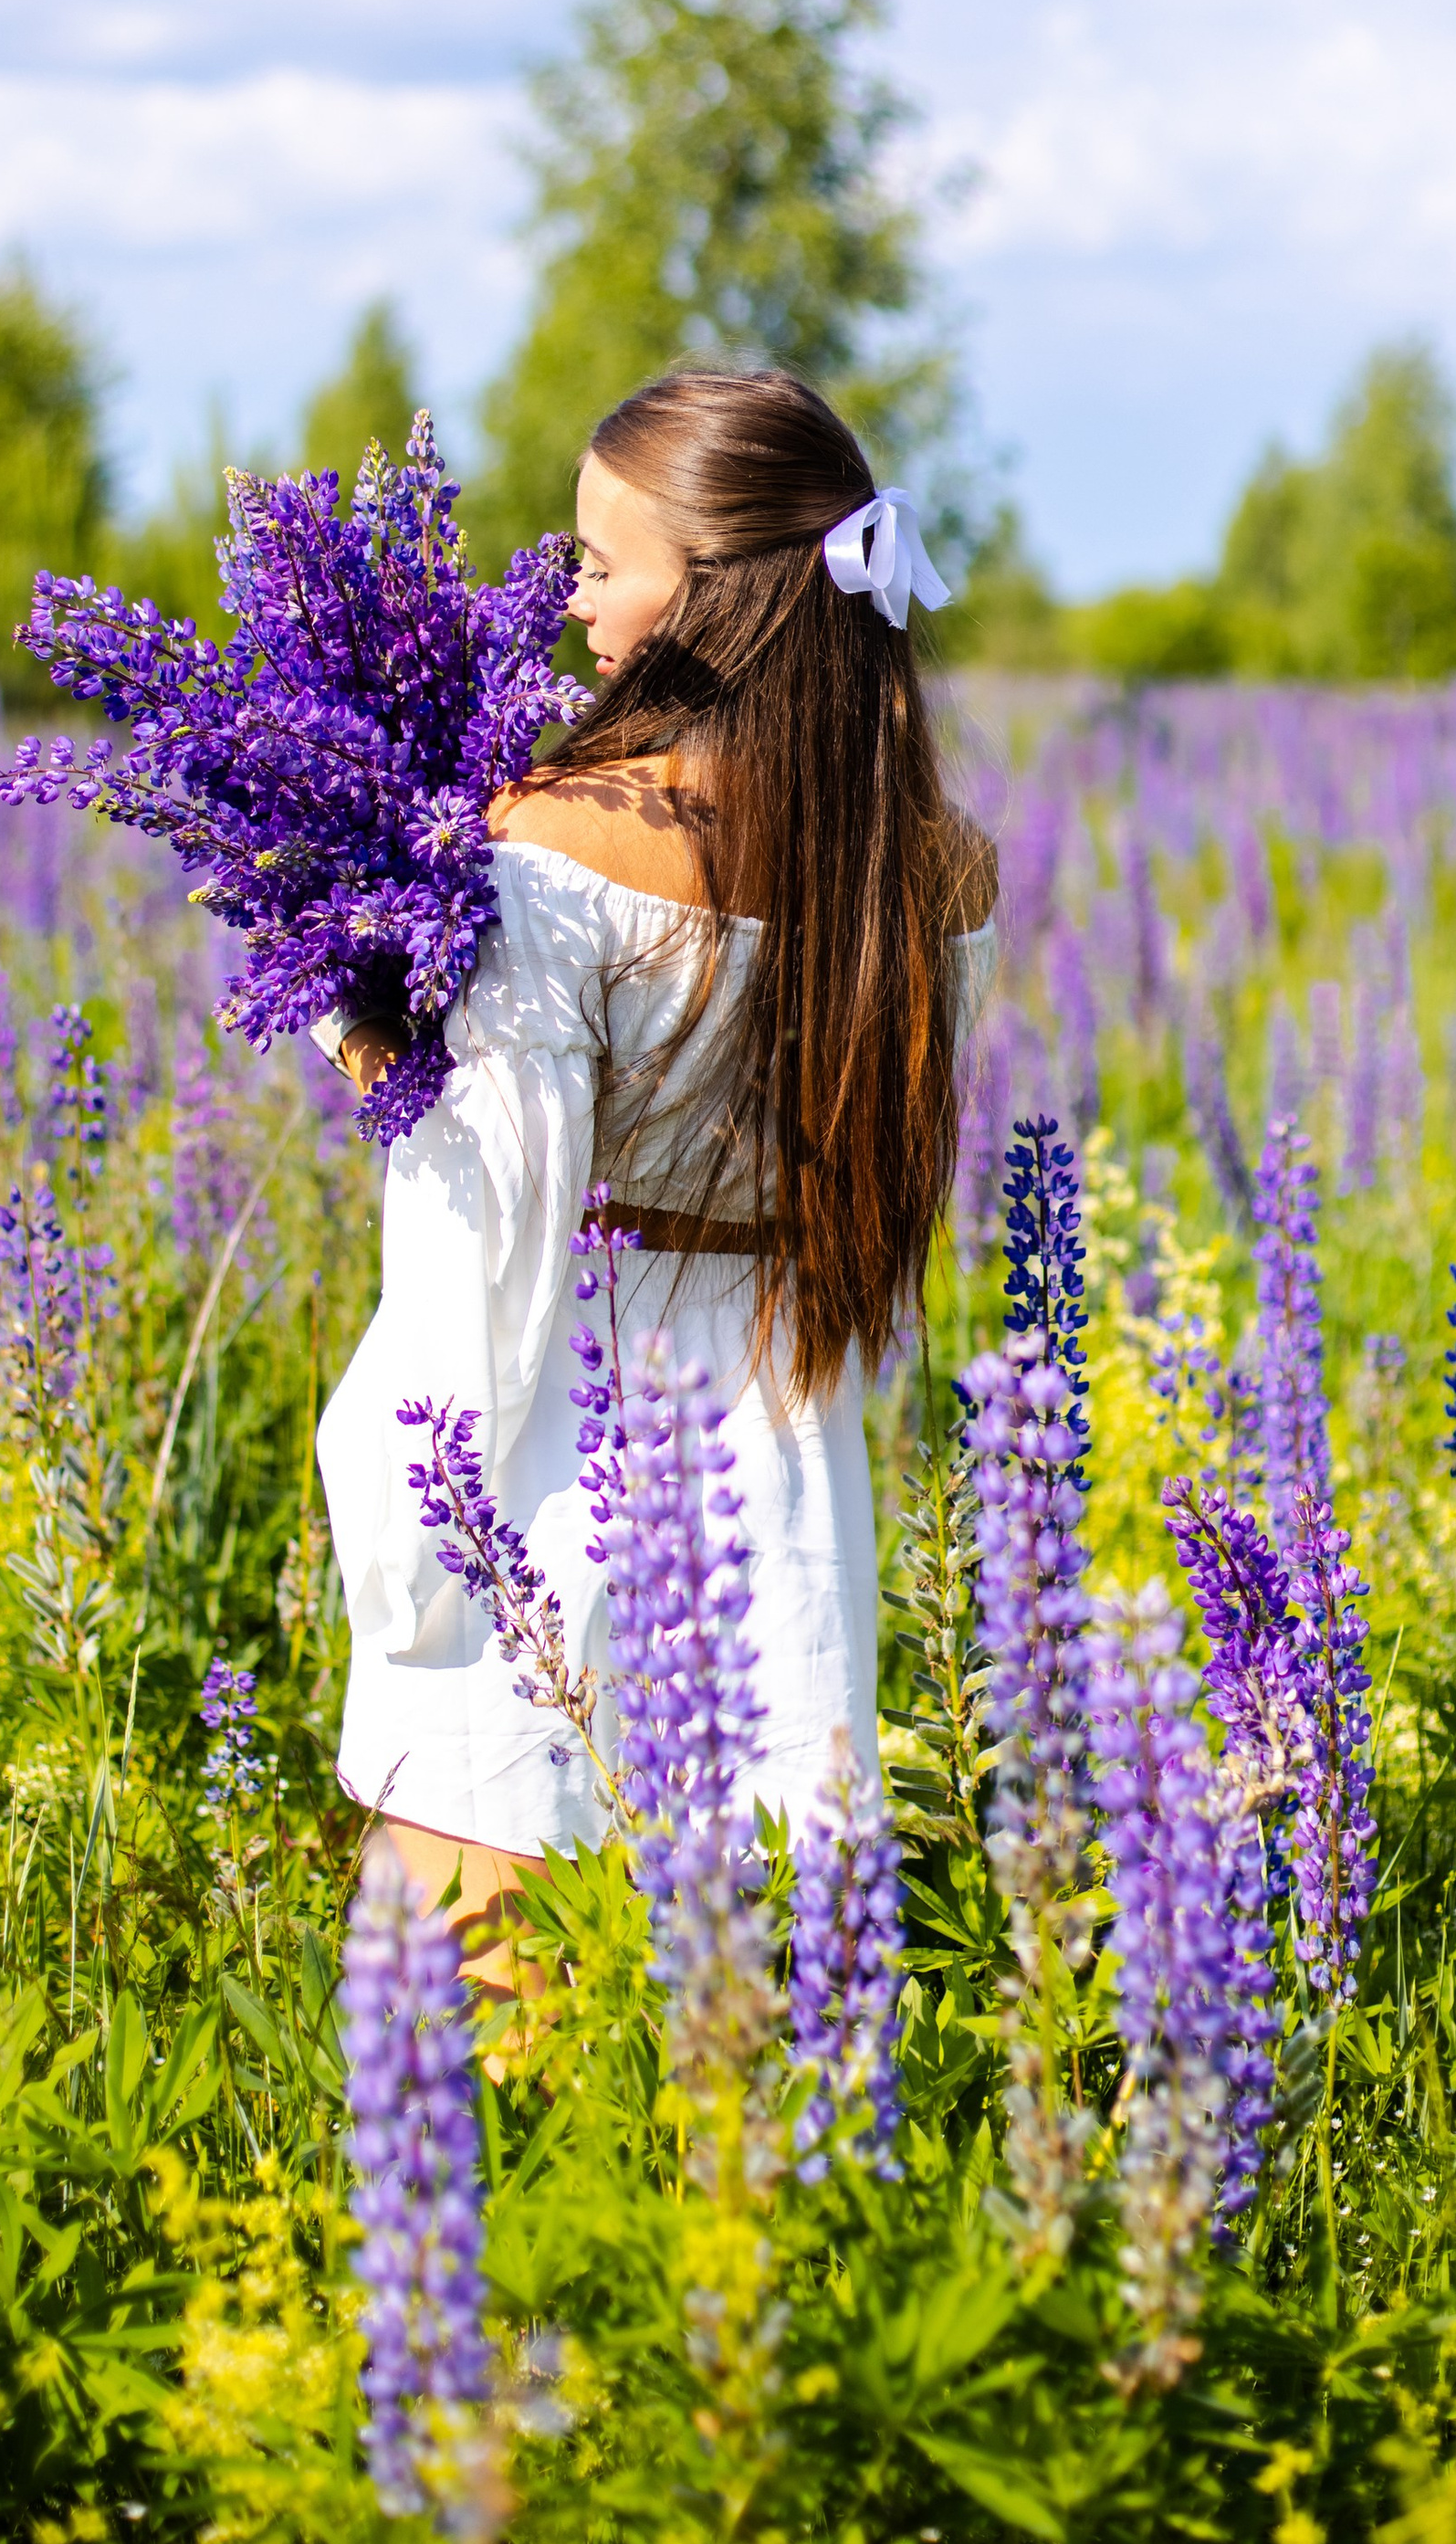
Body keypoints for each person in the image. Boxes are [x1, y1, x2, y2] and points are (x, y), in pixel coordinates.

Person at [311, 363, 999, 1970]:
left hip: (563, 1444)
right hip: (778, 1444)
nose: (568, 601)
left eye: (601, 564)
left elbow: (486, 1240)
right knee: (737, 2031)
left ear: (720, 593)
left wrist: (374, 1052)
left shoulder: (563, 838)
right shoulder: (920, 859)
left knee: (491, 2015)